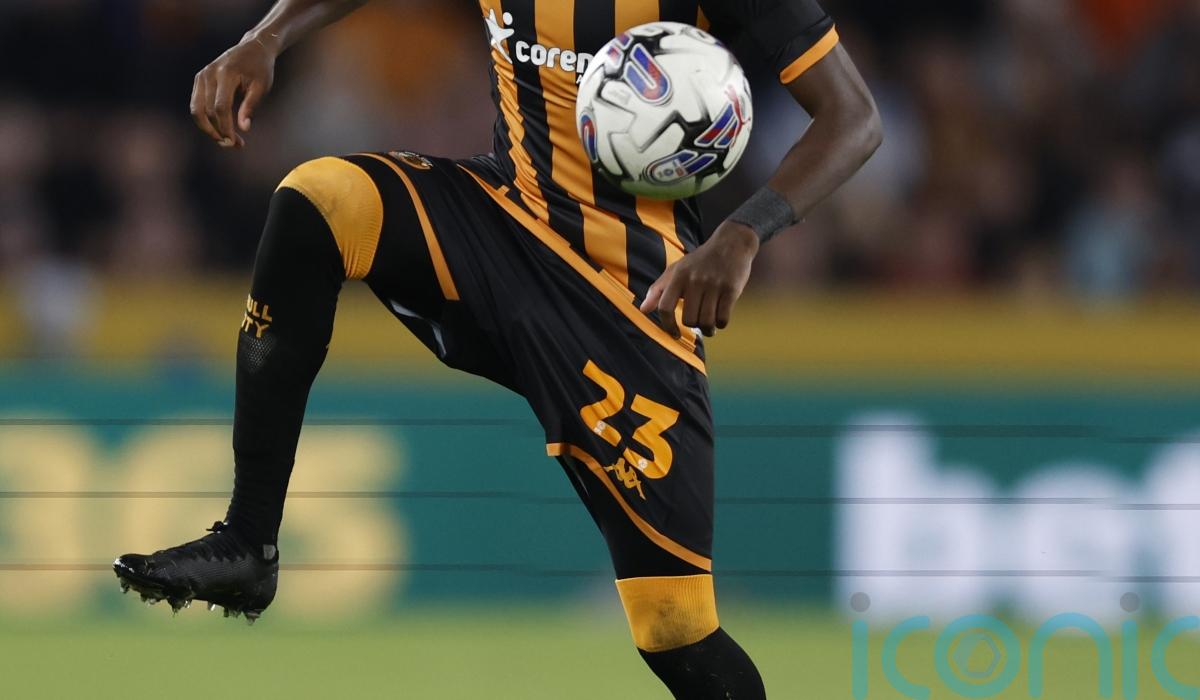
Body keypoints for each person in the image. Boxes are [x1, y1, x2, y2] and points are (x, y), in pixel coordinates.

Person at [113, 1, 881, 697]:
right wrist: (267, 36)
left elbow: (853, 117)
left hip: (634, 295)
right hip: (503, 223)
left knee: (676, 631)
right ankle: (249, 541)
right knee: (320, 200)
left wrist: (743, 233)